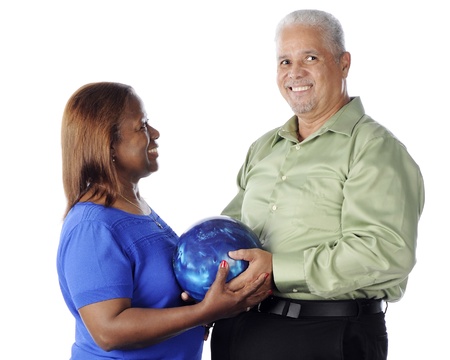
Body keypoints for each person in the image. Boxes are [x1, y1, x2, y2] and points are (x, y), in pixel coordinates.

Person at [211, 9, 425, 360]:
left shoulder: (374, 149)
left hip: (326, 336)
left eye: (310, 57)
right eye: (284, 61)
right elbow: (232, 232)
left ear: (344, 63)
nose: (295, 72)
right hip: (241, 330)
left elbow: (385, 252)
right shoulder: (264, 147)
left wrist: (276, 268)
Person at [56, 82, 271, 360]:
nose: (155, 134)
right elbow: (109, 331)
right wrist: (203, 312)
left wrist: (200, 309)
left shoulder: (137, 210)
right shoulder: (92, 227)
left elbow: (159, 304)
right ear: (108, 143)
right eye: (142, 126)